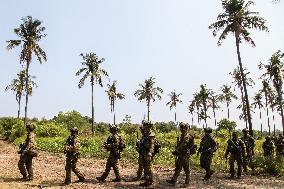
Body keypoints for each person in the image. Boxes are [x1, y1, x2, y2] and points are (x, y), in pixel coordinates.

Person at [167, 122, 196, 187]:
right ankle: (174, 180)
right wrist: (176, 150)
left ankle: (187, 183)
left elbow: (184, 145)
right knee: (178, 168)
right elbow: (180, 144)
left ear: (186, 128)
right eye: (181, 128)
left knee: (186, 169)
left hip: (185, 155)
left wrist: (176, 150)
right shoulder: (182, 135)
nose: (181, 129)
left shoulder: (187, 136)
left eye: (183, 128)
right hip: (181, 154)